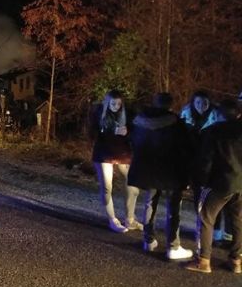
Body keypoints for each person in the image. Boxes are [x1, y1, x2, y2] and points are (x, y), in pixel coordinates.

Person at [128, 92, 194, 260]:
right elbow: (185, 149)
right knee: (173, 207)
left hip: (148, 169)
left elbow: (133, 142)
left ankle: (148, 240)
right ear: (170, 105)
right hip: (171, 170)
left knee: (150, 203)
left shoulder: (139, 121)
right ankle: (173, 246)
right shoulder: (175, 123)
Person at [185, 99, 242, 274]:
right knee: (238, 221)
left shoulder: (214, 131)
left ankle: (203, 260)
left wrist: (200, 182)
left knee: (205, 217)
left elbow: (206, 161)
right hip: (240, 183)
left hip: (218, 183)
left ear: (218, 114)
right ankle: (236, 260)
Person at [87, 89, 140, 233]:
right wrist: (109, 131)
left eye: (119, 104)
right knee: (107, 186)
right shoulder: (99, 114)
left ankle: (129, 219)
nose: (116, 106)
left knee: (132, 184)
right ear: (107, 103)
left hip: (122, 152)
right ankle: (112, 219)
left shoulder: (127, 114)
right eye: (113, 104)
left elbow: (134, 131)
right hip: (104, 153)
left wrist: (127, 132)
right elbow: (92, 134)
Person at [181, 89, 229, 244]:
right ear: (193, 102)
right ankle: (200, 230)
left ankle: (216, 231)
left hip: (214, 165)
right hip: (194, 164)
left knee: (214, 200)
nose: (201, 106)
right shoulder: (185, 116)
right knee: (198, 200)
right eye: (198, 102)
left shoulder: (217, 117)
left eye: (205, 103)